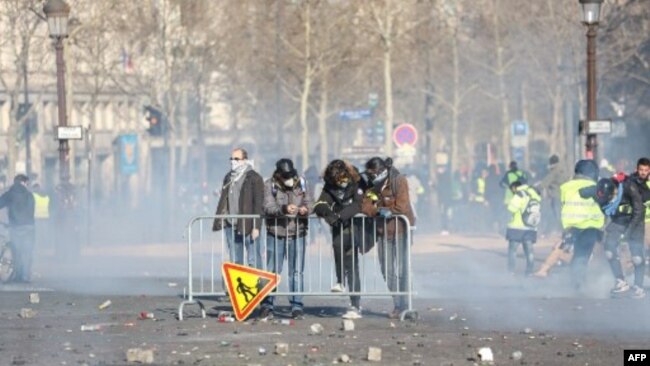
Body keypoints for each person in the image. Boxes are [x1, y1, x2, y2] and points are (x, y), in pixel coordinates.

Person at [362, 157, 415, 319]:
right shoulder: (372, 186)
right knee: (387, 270)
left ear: (382, 171)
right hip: (383, 232)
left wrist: (386, 208)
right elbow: (365, 206)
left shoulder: (399, 180)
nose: (370, 177)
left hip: (401, 230)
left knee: (401, 270)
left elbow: (402, 205)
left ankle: (405, 304)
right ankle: (398, 303)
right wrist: (378, 211)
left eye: (373, 173)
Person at [259, 158, 311, 320]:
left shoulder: (302, 183)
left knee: (296, 272)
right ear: (279, 175)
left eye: (291, 175)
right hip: (276, 233)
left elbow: (311, 202)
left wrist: (305, 210)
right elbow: (268, 207)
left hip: (298, 233)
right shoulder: (269, 185)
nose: (289, 178)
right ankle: (267, 304)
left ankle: (297, 306)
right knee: (272, 272)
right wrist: (284, 209)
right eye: (285, 176)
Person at [313, 160, 365, 320]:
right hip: (338, 228)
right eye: (337, 180)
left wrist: (341, 216)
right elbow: (320, 204)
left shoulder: (357, 181)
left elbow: (359, 204)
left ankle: (355, 304)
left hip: (354, 227)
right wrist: (330, 215)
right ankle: (341, 282)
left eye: (342, 178)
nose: (340, 183)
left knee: (352, 265)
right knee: (339, 253)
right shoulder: (330, 186)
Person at [604, 157, 649, 299]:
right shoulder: (630, 182)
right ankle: (620, 281)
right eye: (641, 170)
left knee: (638, 257)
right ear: (637, 169)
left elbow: (639, 209)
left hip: (642, 222)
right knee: (610, 250)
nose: (643, 173)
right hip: (629, 220)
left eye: (646, 170)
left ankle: (638, 286)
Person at [212, 148, 264, 268]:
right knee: (235, 261)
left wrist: (256, 226)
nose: (233, 161)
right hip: (231, 225)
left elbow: (258, 203)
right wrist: (220, 219)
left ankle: (256, 285)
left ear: (244, 160)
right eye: (231, 158)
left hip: (248, 225)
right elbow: (224, 200)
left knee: (253, 260)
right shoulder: (228, 177)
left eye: (236, 159)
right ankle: (238, 286)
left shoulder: (254, 178)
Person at [559, 159, 604, 290]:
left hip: (570, 226)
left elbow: (563, 206)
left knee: (578, 253)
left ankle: (574, 280)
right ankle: (578, 282)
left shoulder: (565, 187)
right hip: (590, 225)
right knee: (583, 254)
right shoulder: (595, 187)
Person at [0, 174, 35, 283]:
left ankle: (18, 275)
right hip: (29, 226)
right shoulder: (29, 195)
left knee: (17, 251)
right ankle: (25, 276)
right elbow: (31, 211)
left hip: (15, 227)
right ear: (23, 182)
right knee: (27, 251)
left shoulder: (9, 194)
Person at [505, 180, 541, 275]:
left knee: (512, 251)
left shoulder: (519, 194)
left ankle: (511, 271)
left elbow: (511, 209)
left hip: (517, 227)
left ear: (514, 188)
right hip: (531, 228)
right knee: (529, 252)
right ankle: (529, 272)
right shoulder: (534, 194)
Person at [538, 155, 569, 235]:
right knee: (562, 214)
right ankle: (564, 230)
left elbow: (545, 182)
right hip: (565, 196)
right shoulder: (564, 170)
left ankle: (560, 231)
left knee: (556, 214)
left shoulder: (554, 171)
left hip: (556, 196)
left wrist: (536, 188)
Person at [31, 183, 52, 251]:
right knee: (44, 233)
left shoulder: (33, 196)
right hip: (45, 217)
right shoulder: (47, 197)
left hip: (37, 217)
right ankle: (45, 246)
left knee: (37, 233)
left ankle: (38, 247)